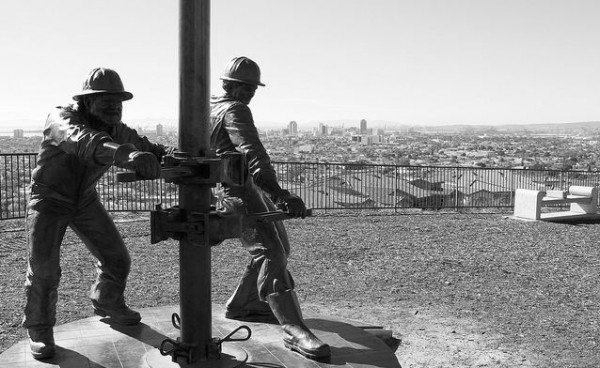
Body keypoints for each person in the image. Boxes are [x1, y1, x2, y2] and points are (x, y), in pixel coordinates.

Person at [23, 67, 174, 359]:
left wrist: (180, 154)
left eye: (118, 100)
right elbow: (82, 140)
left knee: (116, 257)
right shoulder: (61, 119)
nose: (114, 105)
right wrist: (127, 155)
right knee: (43, 269)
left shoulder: (118, 130)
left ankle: (107, 301)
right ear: (86, 102)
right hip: (48, 200)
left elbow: (150, 147)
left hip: (85, 200)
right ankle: (39, 326)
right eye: (106, 99)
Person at [210, 56, 331, 360]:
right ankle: (293, 329)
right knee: (271, 252)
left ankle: (244, 303)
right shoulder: (234, 109)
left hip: (239, 186)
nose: (249, 93)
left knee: (279, 247)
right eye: (245, 87)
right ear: (231, 86)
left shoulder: (210, 108)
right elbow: (252, 152)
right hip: (238, 189)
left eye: (252, 89)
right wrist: (280, 193)